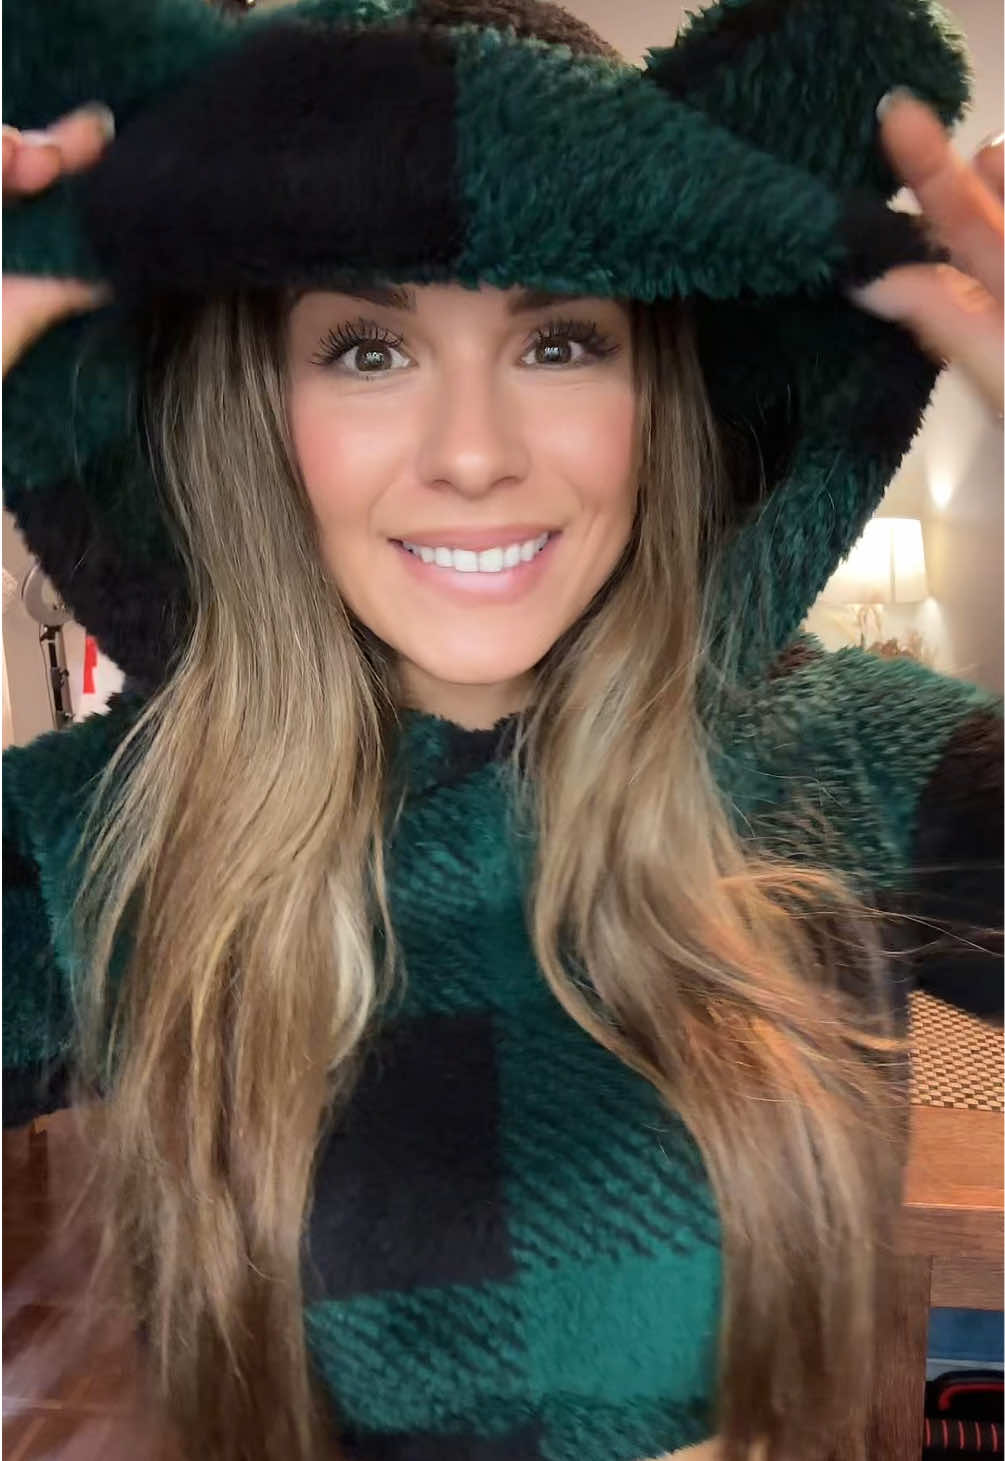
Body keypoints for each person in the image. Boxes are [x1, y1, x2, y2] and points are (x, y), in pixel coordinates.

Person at [2, 3, 1002, 1460]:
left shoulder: (857, 760)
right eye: (366, 350)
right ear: (258, 406)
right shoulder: (115, 831)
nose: (473, 454)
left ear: (659, 387)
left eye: (560, 340)